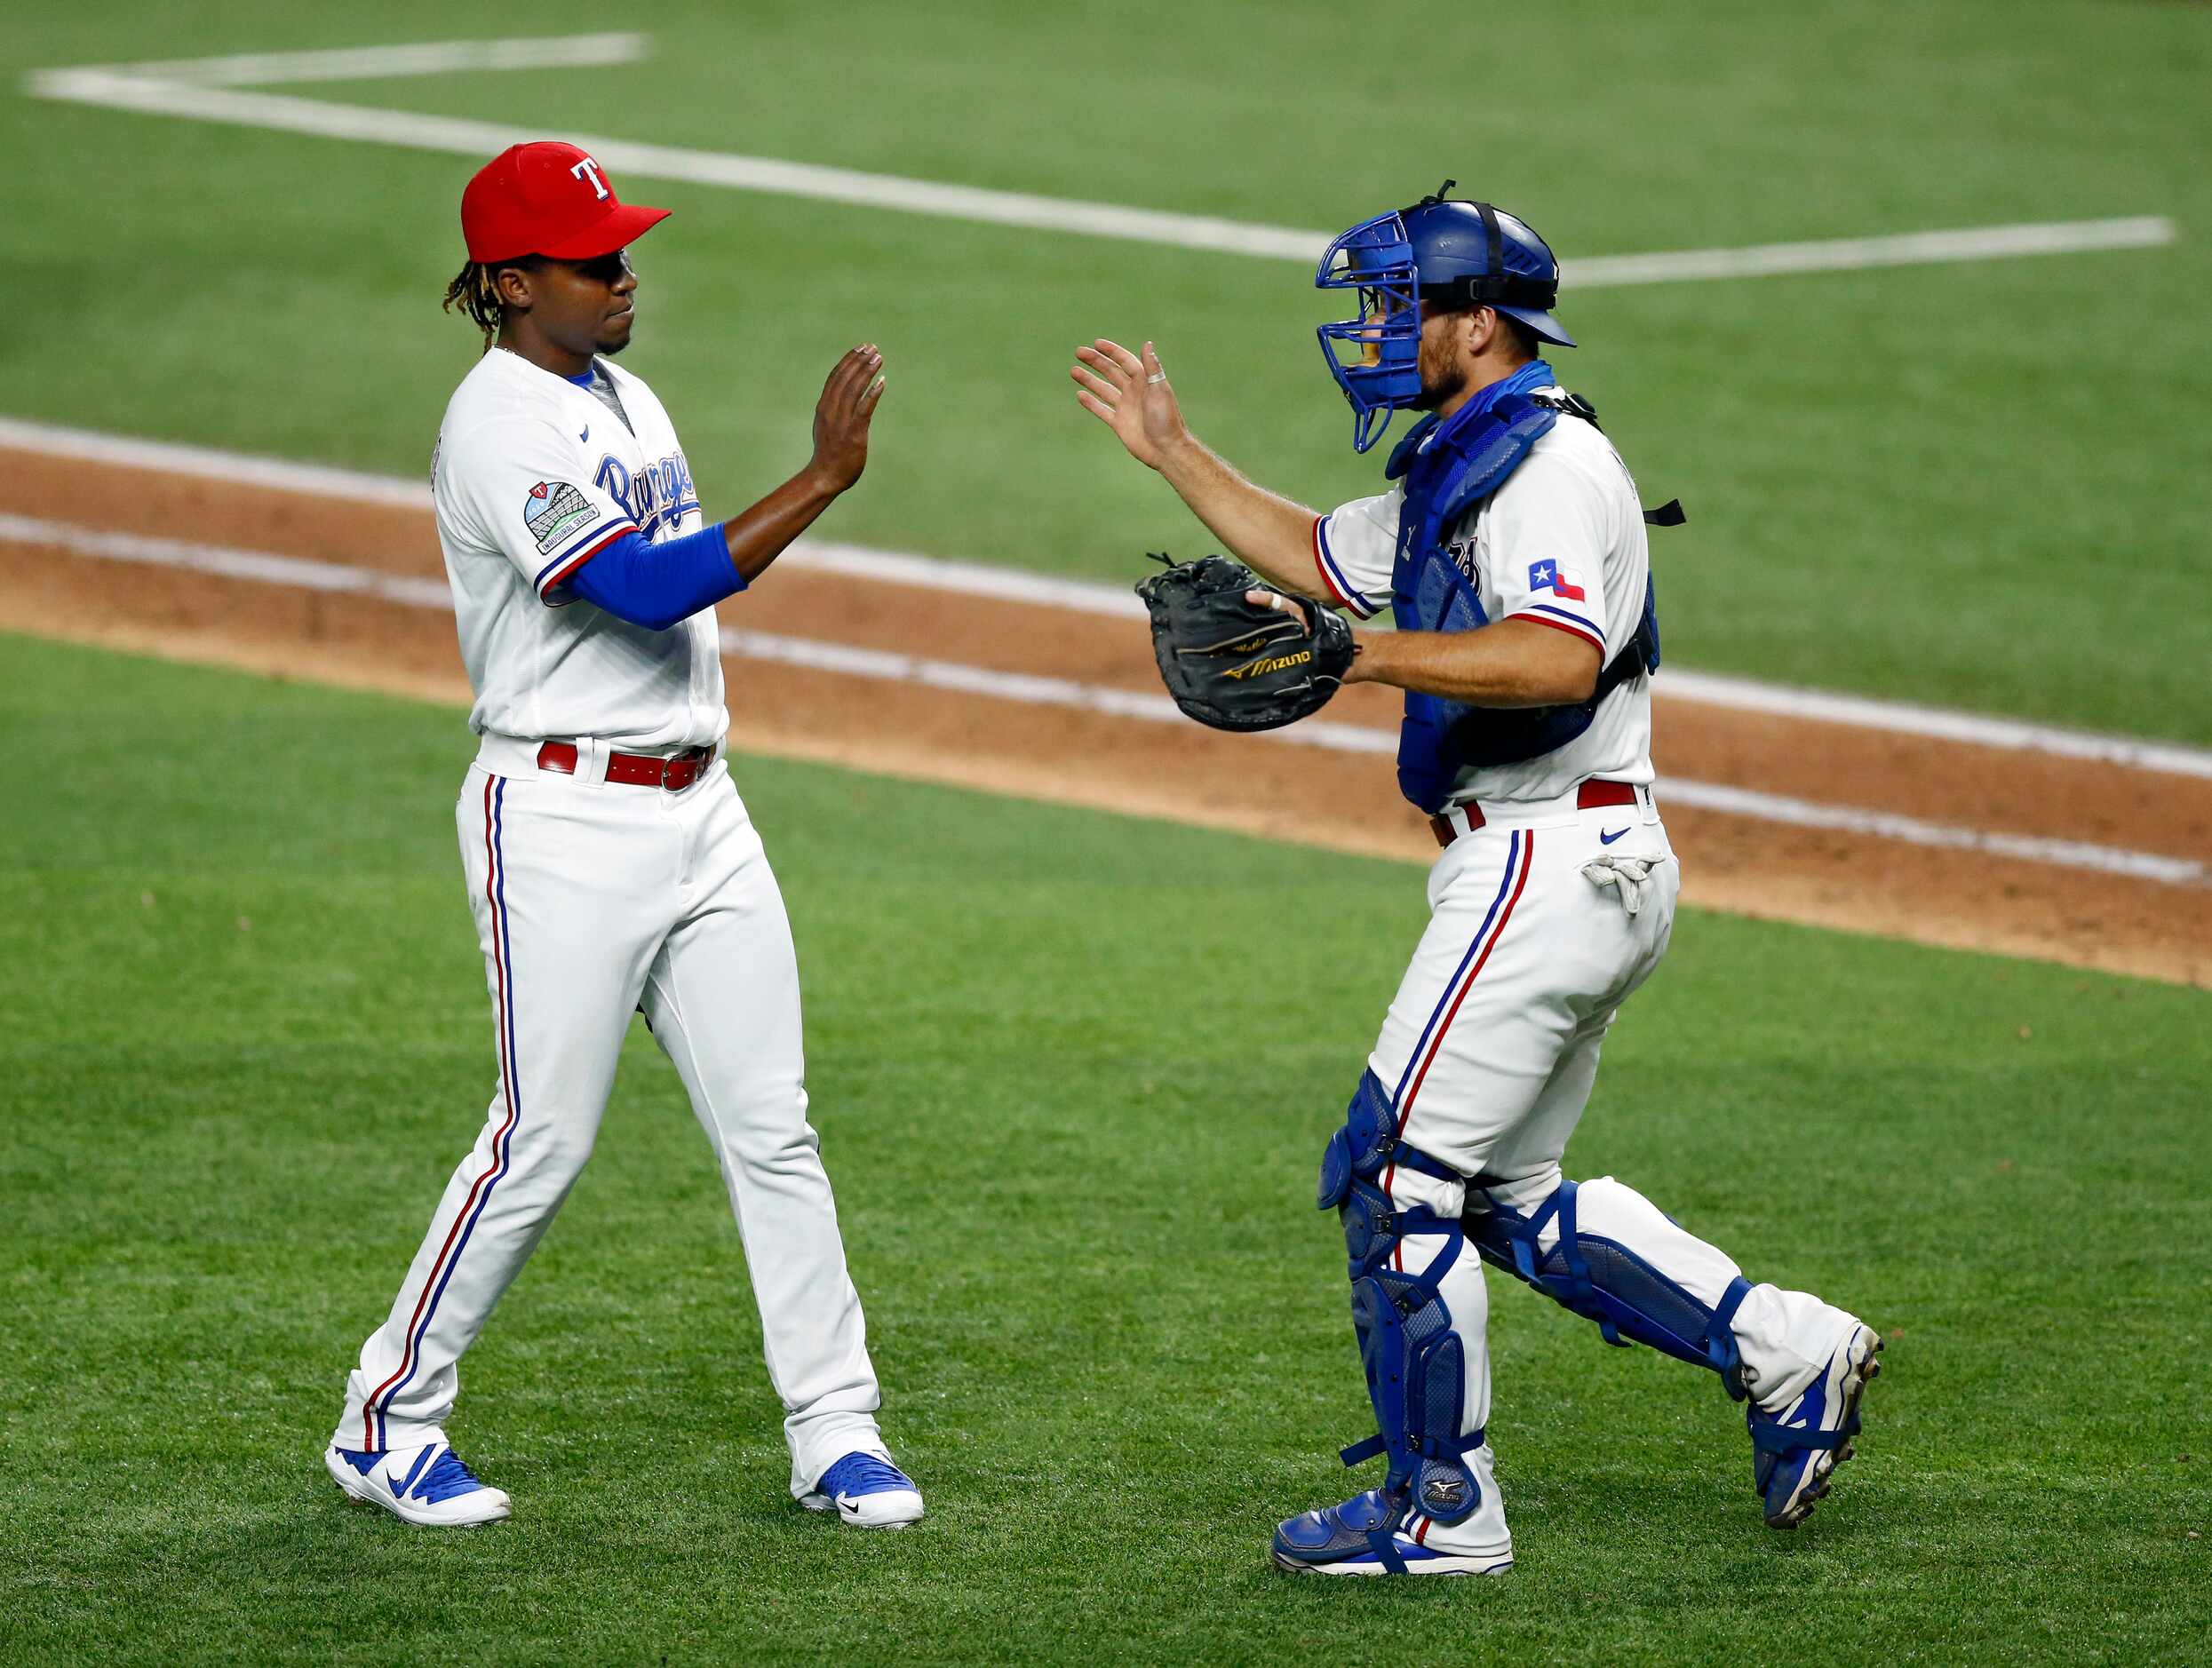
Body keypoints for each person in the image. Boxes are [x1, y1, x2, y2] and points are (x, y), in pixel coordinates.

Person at [1071, 185, 1879, 1575]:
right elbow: (1324, 556)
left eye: (1401, 305)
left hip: (1543, 859)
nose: (1377, 331)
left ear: (1480, 322)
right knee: (1502, 1195)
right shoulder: (1466, 455)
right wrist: (1173, 452)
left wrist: (1357, 657)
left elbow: (1555, 654)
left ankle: (1442, 1508)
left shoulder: (1551, 466)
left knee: (1394, 1178)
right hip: (1571, 863)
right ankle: (1789, 1349)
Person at [323, 140, 920, 1530]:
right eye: (595, 260)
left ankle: (836, 1428)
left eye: (621, 248)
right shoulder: (498, 424)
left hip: (700, 809)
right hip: (561, 817)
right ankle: (386, 1417)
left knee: (774, 1127)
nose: (623, 271)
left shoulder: (621, 391)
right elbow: (646, 589)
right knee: (539, 1138)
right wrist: (824, 476)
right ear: (514, 280)